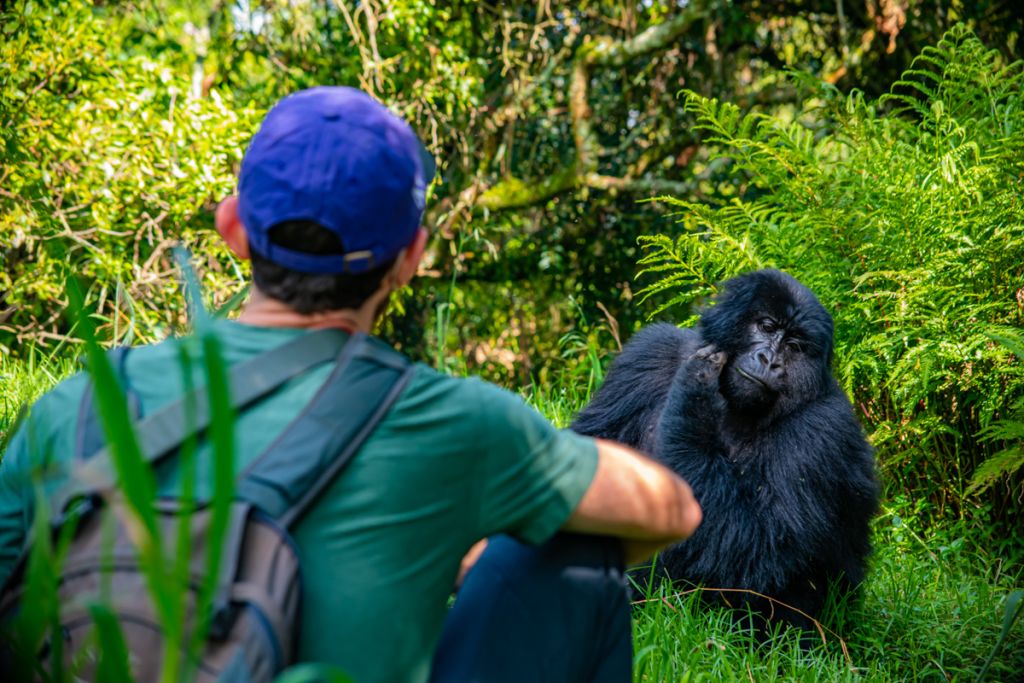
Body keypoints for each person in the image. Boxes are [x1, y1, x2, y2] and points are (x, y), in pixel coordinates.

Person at [0, 86, 701, 682]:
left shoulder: (79, 401)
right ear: (410, 258)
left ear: (232, 227)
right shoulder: (458, 423)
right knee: (577, 545)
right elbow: (672, 510)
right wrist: (472, 545)